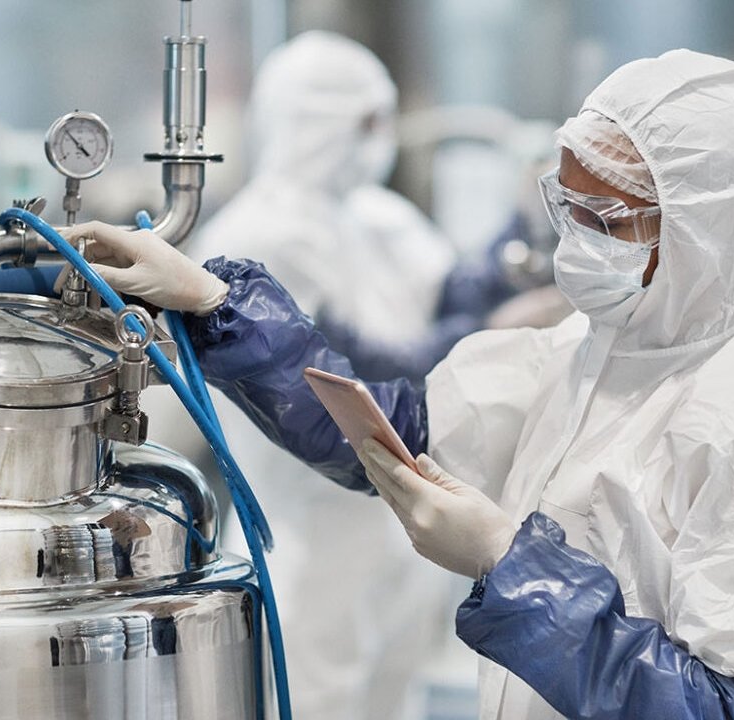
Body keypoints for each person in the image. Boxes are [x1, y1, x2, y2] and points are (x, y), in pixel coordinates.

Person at [67, 49, 734, 720]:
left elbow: (721, 706)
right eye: (566, 206)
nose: (575, 243)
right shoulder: (588, 354)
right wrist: (217, 303)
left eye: (607, 221)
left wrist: (509, 565)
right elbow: (394, 433)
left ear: (707, 236)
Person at [187, 31, 505, 719]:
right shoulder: (257, 234)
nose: (379, 140)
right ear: (316, 122)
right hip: (310, 534)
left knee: (395, 696)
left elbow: (453, 296)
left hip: (401, 529)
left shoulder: (377, 217)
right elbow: (341, 376)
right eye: (366, 122)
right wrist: (484, 333)